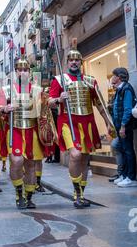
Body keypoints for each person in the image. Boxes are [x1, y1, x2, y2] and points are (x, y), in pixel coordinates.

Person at [49, 43, 114, 208]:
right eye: (71, 59)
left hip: (87, 122)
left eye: (77, 60)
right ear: (67, 62)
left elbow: (100, 104)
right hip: (67, 121)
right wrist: (59, 99)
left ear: (81, 62)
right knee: (76, 155)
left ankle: (81, 194)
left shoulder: (90, 81)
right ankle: (76, 190)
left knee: (85, 158)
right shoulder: (59, 80)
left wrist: (108, 123)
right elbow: (49, 102)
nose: (74, 62)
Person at [3, 47, 44, 209]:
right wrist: (5, 108)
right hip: (15, 130)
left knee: (31, 165)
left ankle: (28, 196)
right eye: (19, 70)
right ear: (15, 72)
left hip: (32, 130)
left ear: (29, 71)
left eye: (25, 69)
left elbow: (44, 111)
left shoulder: (37, 90)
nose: (23, 72)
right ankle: (19, 193)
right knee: (17, 160)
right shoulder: (6, 89)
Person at [110, 67, 137, 187]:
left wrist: (123, 126)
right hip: (119, 126)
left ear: (119, 77)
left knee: (128, 151)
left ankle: (131, 177)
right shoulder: (119, 89)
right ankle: (125, 175)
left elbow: (127, 109)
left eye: (114, 75)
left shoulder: (126, 89)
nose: (112, 77)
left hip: (125, 126)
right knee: (122, 149)